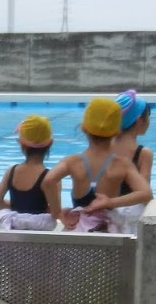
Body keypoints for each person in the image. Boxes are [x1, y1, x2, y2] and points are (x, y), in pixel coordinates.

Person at [40, 96, 147, 230]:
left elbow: (48, 181)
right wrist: (110, 202)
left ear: (84, 128)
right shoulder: (122, 165)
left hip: (78, 228)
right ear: (117, 131)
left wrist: (57, 212)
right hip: (108, 229)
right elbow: (145, 193)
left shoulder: (72, 162)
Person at [69, 90, 153, 233]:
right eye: (148, 117)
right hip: (128, 220)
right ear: (139, 120)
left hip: (97, 214)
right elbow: (144, 196)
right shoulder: (144, 153)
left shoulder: (102, 146)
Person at [0, 114, 58, 231]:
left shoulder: (11, 171)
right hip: (40, 237)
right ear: (50, 143)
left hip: (14, 236)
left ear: (20, 143)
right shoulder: (51, 177)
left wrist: (18, 204)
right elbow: (56, 212)